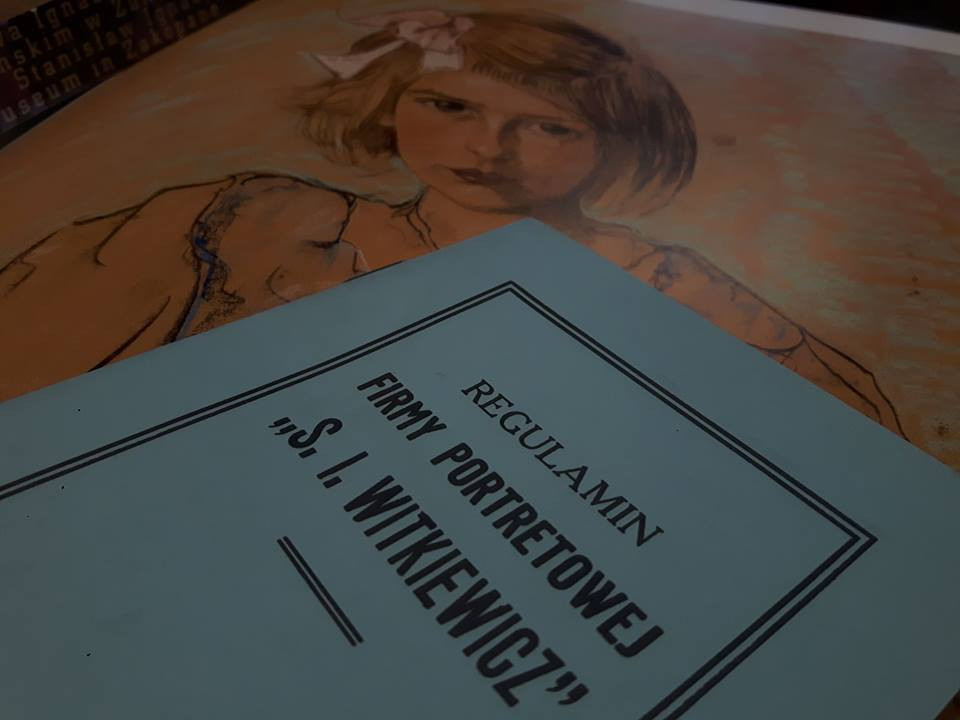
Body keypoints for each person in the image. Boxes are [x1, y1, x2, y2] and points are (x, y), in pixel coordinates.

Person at [0, 9, 903, 435]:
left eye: (549, 126)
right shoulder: (252, 220)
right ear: (391, 103)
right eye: (448, 106)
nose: (487, 147)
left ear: (617, 145)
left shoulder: (675, 293)